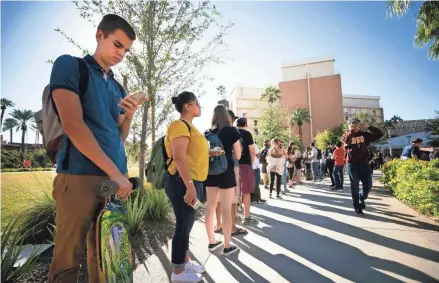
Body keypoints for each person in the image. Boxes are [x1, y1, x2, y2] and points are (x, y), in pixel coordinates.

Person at [47, 15, 147, 283]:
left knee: (108, 261)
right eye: (117, 44)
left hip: (115, 181)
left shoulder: (118, 87)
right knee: (67, 262)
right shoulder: (70, 66)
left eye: (126, 50)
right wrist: (116, 173)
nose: (121, 54)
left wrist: (129, 116)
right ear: (99, 35)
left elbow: (117, 138)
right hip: (80, 177)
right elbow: (73, 125)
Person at [164, 92, 209, 282]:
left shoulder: (190, 127)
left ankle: (185, 262)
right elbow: (180, 157)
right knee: (183, 224)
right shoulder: (179, 126)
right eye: (197, 103)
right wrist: (190, 187)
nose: (200, 106)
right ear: (188, 106)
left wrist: (210, 152)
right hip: (182, 182)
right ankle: (178, 273)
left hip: (192, 181)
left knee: (188, 223)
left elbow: (191, 155)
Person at [204, 105, 242, 257]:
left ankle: (212, 242)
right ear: (227, 116)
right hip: (226, 172)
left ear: (213, 116)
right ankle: (227, 246)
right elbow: (238, 155)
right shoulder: (232, 131)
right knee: (226, 210)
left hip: (211, 172)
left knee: (210, 207)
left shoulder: (207, 132)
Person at [342, 118, 383, 215]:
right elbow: (346, 140)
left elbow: (379, 135)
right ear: (349, 126)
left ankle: (362, 197)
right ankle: (357, 206)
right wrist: (350, 130)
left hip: (364, 163)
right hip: (352, 164)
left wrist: (369, 127)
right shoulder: (346, 135)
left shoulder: (364, 135)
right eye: (353, 124)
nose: (355, 126)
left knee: (368, 185)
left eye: (357, 124)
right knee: (354, 186)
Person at [236, 117, 257, 224]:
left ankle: (234, 215)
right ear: (245, 124)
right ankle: (246, 216)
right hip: (245, 165)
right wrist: (251, 164)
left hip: (234, 166)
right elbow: (252, 151)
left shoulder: (232, 133)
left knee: (235, 191)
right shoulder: (247, 134)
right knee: (246, 191)